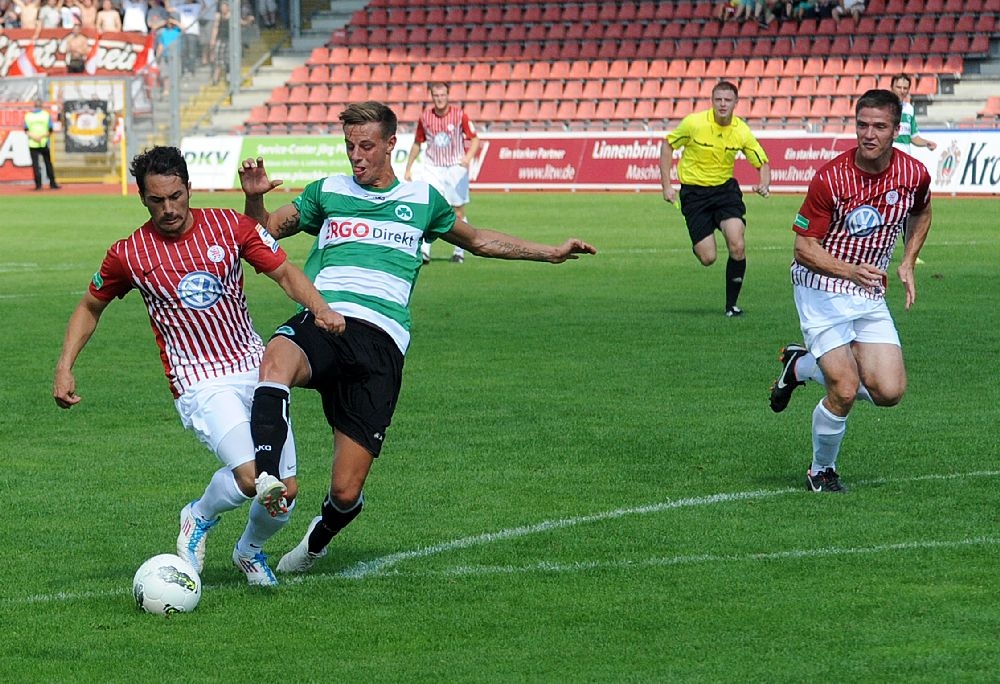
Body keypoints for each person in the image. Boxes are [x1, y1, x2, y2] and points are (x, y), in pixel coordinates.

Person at [238, 101, 596, 573]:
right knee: (275, 360)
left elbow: (477, 240)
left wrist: (550, 252)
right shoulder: (327, 192)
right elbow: (261, 235)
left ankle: (315, 542)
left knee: (345, 491)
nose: (356, 156)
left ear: (391, 144)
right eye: (349, 146)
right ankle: (267, 475)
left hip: (381, 341)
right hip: (326, 316)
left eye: (366, 146)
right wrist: (255, 200)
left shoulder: (423, 201)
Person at [52, 146, 341, 585]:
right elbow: (90, 306)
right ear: (142, 198)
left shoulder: (229, 226)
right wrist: (64, 365)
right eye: (157, 200)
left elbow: (284, 272)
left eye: (176, 196)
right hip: (199, 380)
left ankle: (249, 551)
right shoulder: (129, 254)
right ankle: (198, 516)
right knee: (253, 477)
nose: (168, 209)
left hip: (257, 370)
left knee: (285, 493)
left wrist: (320, 308)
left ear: (189, 188)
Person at [768, 89, 932, 493]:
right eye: (862, 125)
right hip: (820, 287)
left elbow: (922, 210)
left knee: (889, 392)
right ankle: (821, 470)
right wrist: (848, 271)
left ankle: (800, 366)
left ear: (896, 129)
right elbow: (803, 248)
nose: (869, 134)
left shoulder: (913, 174)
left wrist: (908, 260)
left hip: (867, 289)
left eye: (879, 126)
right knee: (843, 387)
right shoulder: (831, 178)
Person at [658, 80, 770, 317]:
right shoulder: (694, 123)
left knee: (737, 244)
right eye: (718, 99)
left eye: (727, 100)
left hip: (724, 192)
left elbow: (762, 161)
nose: (722, 104)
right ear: (712, 101)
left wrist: (764, 183)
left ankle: (731, 306)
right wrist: (667, 186)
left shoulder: (741, 131)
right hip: (694, 194)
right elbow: (668, 146)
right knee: (708, 258)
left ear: (736, 103)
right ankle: (700, 240)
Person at [404, 81, 481, 264]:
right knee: (429, 206)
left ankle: (459, 251)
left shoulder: (460, 115)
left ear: (448, 96)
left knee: (457, 211)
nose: (439, 99)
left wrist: (467, 158)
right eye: (436, 95)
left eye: (442, 95)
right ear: (432, 97)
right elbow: (417, 143)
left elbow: (475, 139)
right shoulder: (425, 118)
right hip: (432, 167)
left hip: (455, 167)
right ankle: (425, 251)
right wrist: (408, 168)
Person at [890, 74, 937, 155]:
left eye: (905, 88)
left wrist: (926, 143)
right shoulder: (884, 108)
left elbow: (913, 137)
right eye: (898, 87)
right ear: (892, 87)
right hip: (889, 156)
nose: (902, 91)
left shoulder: (909, 109)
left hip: (905, 156)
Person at [24, 98, 60, 191]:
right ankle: (52, 184)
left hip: (33, 143)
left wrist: (35, 137)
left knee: (36, 165)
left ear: (34, 105)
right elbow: (50, 129)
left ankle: (38, 185)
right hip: (43, 142)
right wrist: (41, 137)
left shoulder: (28, 116)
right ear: (42, 105)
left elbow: (26, 130)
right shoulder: (46, 115)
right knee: (48, 163)